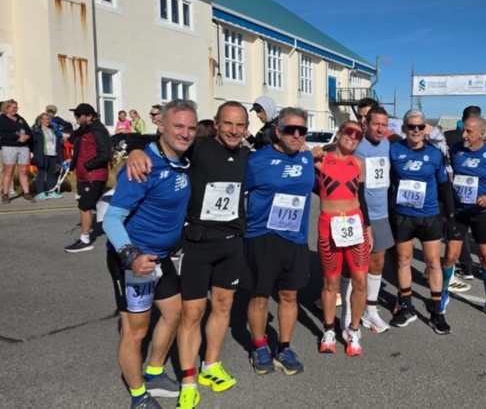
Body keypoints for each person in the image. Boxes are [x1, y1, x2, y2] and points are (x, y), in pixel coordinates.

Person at [126, 101, 251, 408]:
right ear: (217, 124)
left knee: (222, 307)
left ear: (247, 128)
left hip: (232, 243)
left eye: (240, 125)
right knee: (191, 313)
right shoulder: (199, 147)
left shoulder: (250, 155)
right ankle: (189, 379)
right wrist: (136, 149)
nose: (234, 130)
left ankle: (210, 365)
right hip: (197, 244)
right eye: (228, 124)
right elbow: (166, 141)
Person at [102, 99, 198, 409]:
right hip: (134, 260)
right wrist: (131, 256)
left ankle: (154, 373)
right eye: (178, 126)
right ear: (161, 125)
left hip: (161, 258)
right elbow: (111, 218)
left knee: (173, 313)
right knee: (136, 328)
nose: (185, 133)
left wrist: (135, 145)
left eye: (191, 128)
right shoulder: (142, 167)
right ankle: (138, 396)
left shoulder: (184, 158)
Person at [244, 107, 314, 376]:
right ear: (278, 131)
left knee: (289, 295)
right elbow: (237, 189)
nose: (296, 135)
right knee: (260, 295)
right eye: (290, 129)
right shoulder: (257, 160)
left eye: (302, 130)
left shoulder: (307, 158)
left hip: (295, 238)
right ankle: (260, 345)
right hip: (262, 236)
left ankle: (284, 347)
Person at [388, 109, 457, 334]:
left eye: (420, 126)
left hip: (429, 216)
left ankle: (437, 312)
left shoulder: (435, 153)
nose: (416, 130)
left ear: (424, 128)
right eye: (411, 126)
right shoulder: (394, 150)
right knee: (403, 261)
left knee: (433, 263)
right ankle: (407, 307)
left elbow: (445, 185)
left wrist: (450, 215)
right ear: (404, 128)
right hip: (403, 216)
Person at [442, 116, 486, 319]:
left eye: (469, 132)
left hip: (481, 213)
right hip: (459, 212)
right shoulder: (456, 150)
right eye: (463, 130)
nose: (464, 135)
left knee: (485, 257)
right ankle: (444, 294)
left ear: (482, 133)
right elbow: (447, 171)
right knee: (450, 256)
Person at [315, 120, 372, 356]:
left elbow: (361, 196)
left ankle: (354, 329)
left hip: (354, 224)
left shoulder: (359, 164)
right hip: (329, 225)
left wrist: (368, 227)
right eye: (349, 132)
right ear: (339, 133)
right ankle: (329, 330)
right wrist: (314, 150)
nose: (353, 137)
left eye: (358, 135)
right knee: (331, 282)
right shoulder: (319, 160)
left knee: (360, 280)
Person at [352, 103, 394, 333]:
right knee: (355, 267)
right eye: (376, 124)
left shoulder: (387, 143)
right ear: (366, 123)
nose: (380, 129)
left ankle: (371, 311)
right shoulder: (357, 143)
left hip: (381, 214)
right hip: (358, 213)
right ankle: (350, 315)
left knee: (377, 263)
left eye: (384, 125)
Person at [443, 105, 483, 285]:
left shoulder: (447, 135)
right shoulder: (453, 137)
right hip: (459, 194)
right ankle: (466, 267)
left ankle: (464, 267)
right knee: (460, 233)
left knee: (456, 234)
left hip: (454, 193)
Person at [64, 103, 112, 252]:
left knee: (84, 207)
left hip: (94, 175)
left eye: (79, 115)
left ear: (90, 116)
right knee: (91, 205)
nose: (76, 118)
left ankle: (85, 241)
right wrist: (71, 163)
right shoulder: (84, 130)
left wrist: (88, 165)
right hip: (84, 175)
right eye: (75, 115)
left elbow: (105, 154)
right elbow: (74, 142)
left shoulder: (98, 131)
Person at [0, 99, 35, 203]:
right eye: (13, 107)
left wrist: (26, 137)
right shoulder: (2, 119)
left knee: (23, 171)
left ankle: (27, 193)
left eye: (16, 107)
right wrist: (16, 137)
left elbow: (29, 130)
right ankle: (5, 194)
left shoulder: (20, 119)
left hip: (23, 148)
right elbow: (2, 134)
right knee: (9, 171)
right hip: (9, 147)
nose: (15, 109)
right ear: (6, 108)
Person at [31, 111, 65, 200]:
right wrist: (35, 153)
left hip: (53, 154)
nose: (47, 120)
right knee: (41, 174)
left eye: (48, 119)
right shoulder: (37, 130)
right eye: (45, 119)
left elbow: (57, 143)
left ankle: (52, 191)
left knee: (51, 174)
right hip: (43, 155)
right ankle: (41, 193)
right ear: (41, 120)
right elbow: (32, 143)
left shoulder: (52, 130)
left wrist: (59, 155)